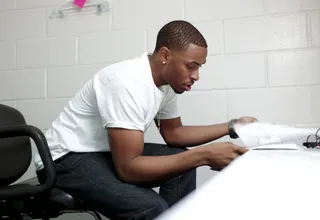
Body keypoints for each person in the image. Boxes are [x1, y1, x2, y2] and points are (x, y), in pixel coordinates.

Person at [35, 20, 257, 220]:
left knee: (183, 162)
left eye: (199, 67)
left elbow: (174, 133)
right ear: (165, 56)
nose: (196, 75)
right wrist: (205, 155)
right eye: (191, 66)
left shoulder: (165, 84)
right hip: (63, 158)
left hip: (100, 151)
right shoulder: (127, 82)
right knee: (151, 208)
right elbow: (128, 169)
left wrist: (232, 126)